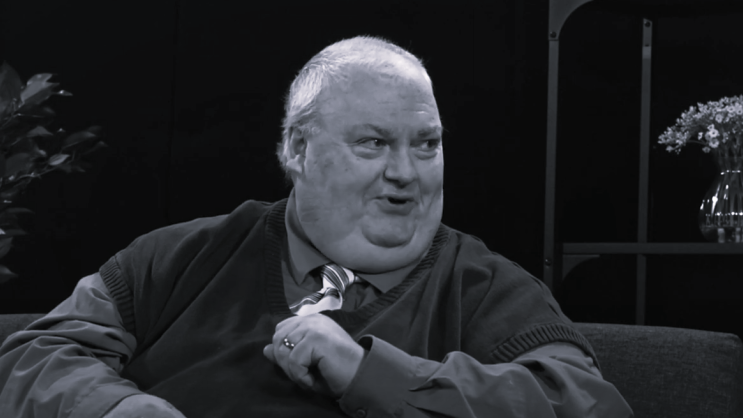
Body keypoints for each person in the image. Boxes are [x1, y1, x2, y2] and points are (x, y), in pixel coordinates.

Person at [0, 35, 634, 417]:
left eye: (427, 144)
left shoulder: (489, 288)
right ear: (298, 150)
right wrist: (117, 407)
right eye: (374, 143)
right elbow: (35, 355)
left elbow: (590, 405)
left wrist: (370, 374)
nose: (406, 174)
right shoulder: (180, 256)